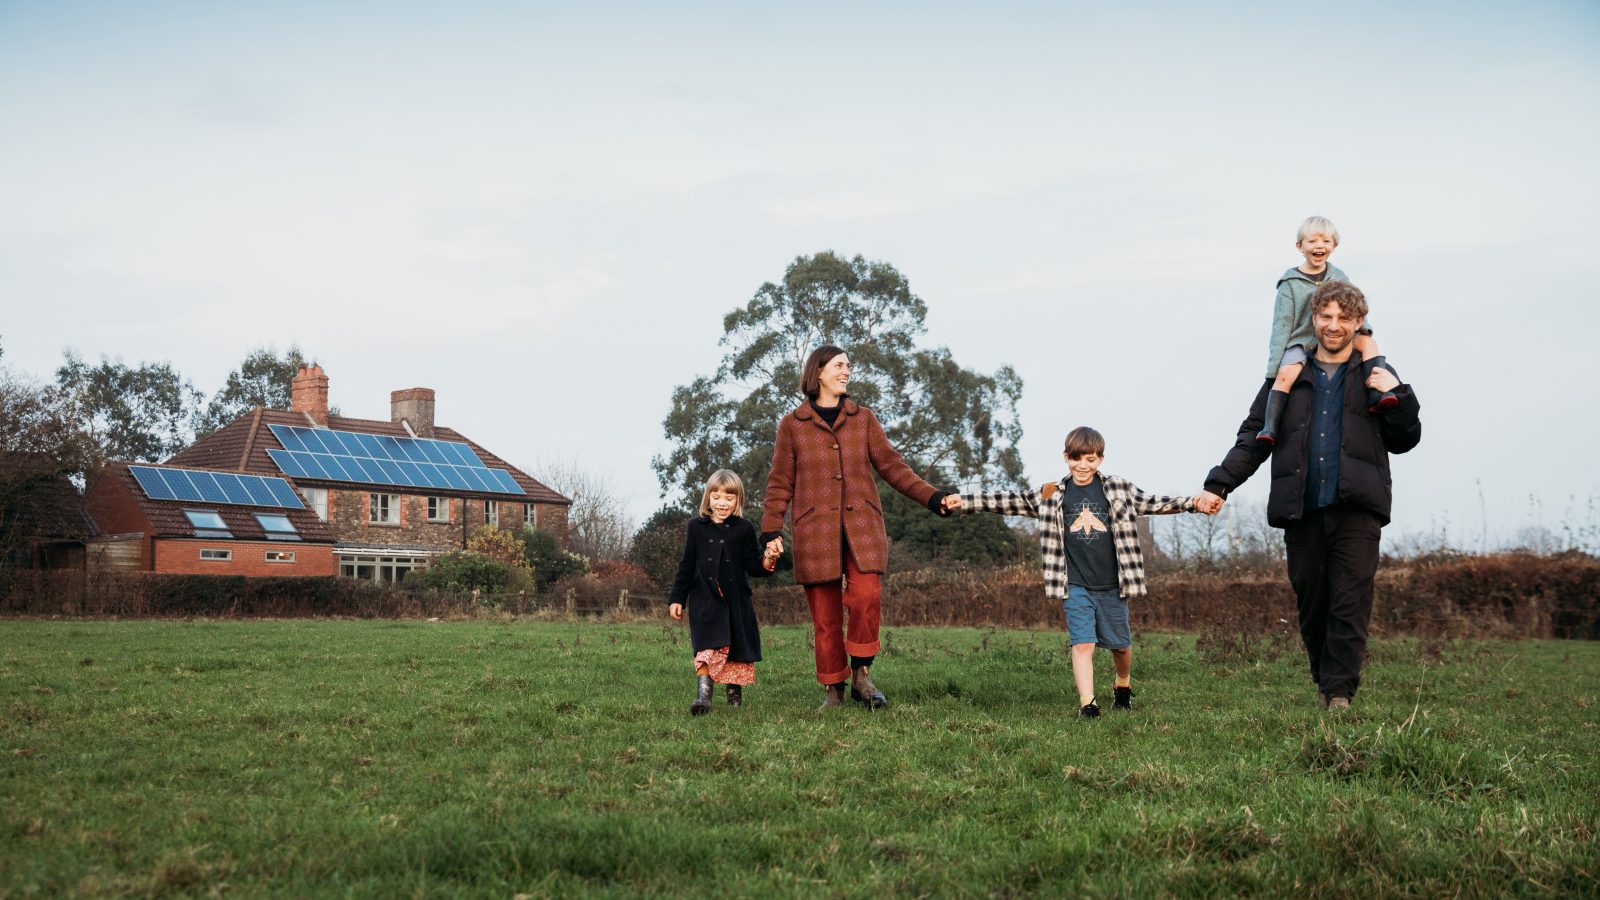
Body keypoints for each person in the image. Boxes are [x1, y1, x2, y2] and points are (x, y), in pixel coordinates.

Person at [1199, 281, 1422, 710]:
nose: (1334, 326)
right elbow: (1254, 438)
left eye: (1344, 318)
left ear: (1359, 323)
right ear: (1314, 318)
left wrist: (1400, 393)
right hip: (1300, 508)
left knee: (1350, 602)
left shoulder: (1374, 376)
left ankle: (1338, 695)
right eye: (1326, 316)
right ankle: (1327, 681)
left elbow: (1405, 439)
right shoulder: (1287, 379)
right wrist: (1219, 483)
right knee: (1312, 603)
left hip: (1358, 509)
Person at [945, 427, 1214, 718]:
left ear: (1100, 459)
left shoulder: (1119, 488)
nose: (1082, 466)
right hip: (1074, 585)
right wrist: (966, 501)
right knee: (1083, 644)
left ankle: (1122, 684)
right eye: (1076, 459)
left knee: (1121, 647)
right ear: (1065, 457)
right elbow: (1012, 501)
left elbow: (1155, 503)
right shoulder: (1052, 492)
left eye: (1090, 459)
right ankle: (1088, 704)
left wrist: (1192, 503)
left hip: (1114, 585)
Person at [761, 345, 954, 710]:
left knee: (866, 596)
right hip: (814, 532)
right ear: (818, 372)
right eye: (839, 365)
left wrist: (933, 498)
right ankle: (833, 689)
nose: (846, 371)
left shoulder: (863, 418)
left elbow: (893, 467)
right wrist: (771, 530)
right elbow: (779, 482)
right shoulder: (792, 425)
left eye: (848, 366)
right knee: (825, 616)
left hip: (862, 527)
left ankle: (862, 674)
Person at [1256, 216, 1398, 445]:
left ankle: (1377, 394)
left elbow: (1354, 304)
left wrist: (1364, 329)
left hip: (1337, 335)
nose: (1319, 245)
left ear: (1334, 246)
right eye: (1312, 241)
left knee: (1370, 344)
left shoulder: (1338, 276)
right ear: (1300, 246)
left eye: (1326, 241)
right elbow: (1281, 326)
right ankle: (1270, 427)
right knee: (1286, 375)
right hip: (1302, 340)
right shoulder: (1290, 283)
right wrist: (1274, 368)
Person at [668, 469, 779, 716]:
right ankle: (704, 697)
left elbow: (755, 566)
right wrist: (677, 598)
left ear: (738, 500)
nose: (722, 503)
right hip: (704, 601)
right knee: (705, 649)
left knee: (737, 651)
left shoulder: (745, 529)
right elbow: (686, 566)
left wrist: (768, 560)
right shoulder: (695, 527)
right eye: (716, 497)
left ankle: (734, 698)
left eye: (729, 498)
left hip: (736, 602)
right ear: (708, 498)